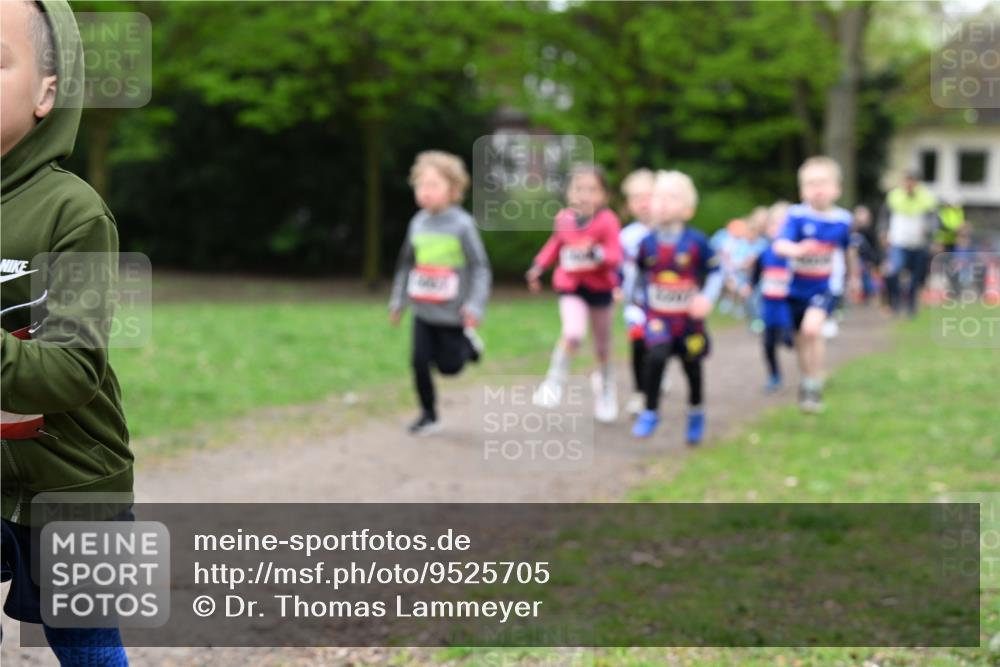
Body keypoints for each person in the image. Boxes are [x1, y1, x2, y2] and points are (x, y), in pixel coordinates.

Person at [1, 2, 132, 664]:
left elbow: (73, 370)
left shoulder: (75, 213)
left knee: (83, 641)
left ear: (47, 92)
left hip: (73, 478)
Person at [389, 151, 492, 436]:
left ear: (454, 190)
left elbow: (480, 268)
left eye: (433, 185)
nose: (425, 192)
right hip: (423, 310)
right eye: (421, 185)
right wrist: (398, 301)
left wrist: (475, 306)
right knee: (418, 362)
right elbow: (405, 265)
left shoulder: (462, 225)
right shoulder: (417, 223)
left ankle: (469, 347)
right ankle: (428, 414)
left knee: (449, 368)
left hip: (453, 314)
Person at [631, 170, 723, 445]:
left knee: (692, 368)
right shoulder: (646, 243)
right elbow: (636, 276)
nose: (662, 203)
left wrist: (706, 298)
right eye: (657, 196)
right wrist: (636, 303)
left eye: (671, 198)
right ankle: (650, 410)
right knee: (655, 356)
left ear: (687, 209)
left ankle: (696, 411)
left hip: (689, 323)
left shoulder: (697, 242)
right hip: (658, 318)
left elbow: (717, 272)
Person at [526, 164, 622, 423]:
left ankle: (605, 391)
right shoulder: (564, 219)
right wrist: (538, 266)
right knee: (572, 334)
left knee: (602, 348)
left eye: (592, 190)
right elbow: (555, 244)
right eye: (579, 189)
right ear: (569, 192)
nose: (585, 195)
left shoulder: (607, 221)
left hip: (601, 290)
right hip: (571, 288)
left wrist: (598, 254)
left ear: (604, 195)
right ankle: (553, 383)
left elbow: (616, 254)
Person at [774, 156, 857, 413]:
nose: (817, 189)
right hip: (796, 287)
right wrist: (797, 250)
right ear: (802, 190)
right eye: (810, 184)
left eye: (822, 183)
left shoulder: (843, 220)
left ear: (837, 189)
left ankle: (815, 382)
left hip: (825, 287)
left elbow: (847, 252)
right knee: (800, 337)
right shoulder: (796, 216)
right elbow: (779, 245)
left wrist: (852, 278)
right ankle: (807, 380)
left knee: (813, 330)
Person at [617, 168, 668, 417]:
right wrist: (616, 286)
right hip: (635, 303)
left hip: (664, 305)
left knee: (658, 347)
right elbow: (617, 267)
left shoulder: (669, 233)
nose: (643, 203)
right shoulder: (626, 236)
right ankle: (640, 392)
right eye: (636, 198)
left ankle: (657, 378)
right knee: (638, 344)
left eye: (647, 196)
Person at [750, 204, 794, 392]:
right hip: (770, 305)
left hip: (789, 305)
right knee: (768, 344)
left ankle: (810, 375)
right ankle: (774, 375)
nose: (777, 228)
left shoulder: (794, 253)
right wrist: (750, 287)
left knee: (790, 340)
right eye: (774, 223)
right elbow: (756, 274)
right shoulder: (764, 253)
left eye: (783, 224)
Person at [880, 171, 937, 316]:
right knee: (893, 271)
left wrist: (930, 233)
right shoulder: (894, 196)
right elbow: (885, 217)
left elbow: (934, 220)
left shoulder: (927, 198)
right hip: (898, 242)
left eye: (912, 181)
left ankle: (911, 306)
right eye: (906, 181)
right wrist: (883, 232)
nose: (909, 185)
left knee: (915, 277)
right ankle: (895, 301)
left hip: (918, 243)